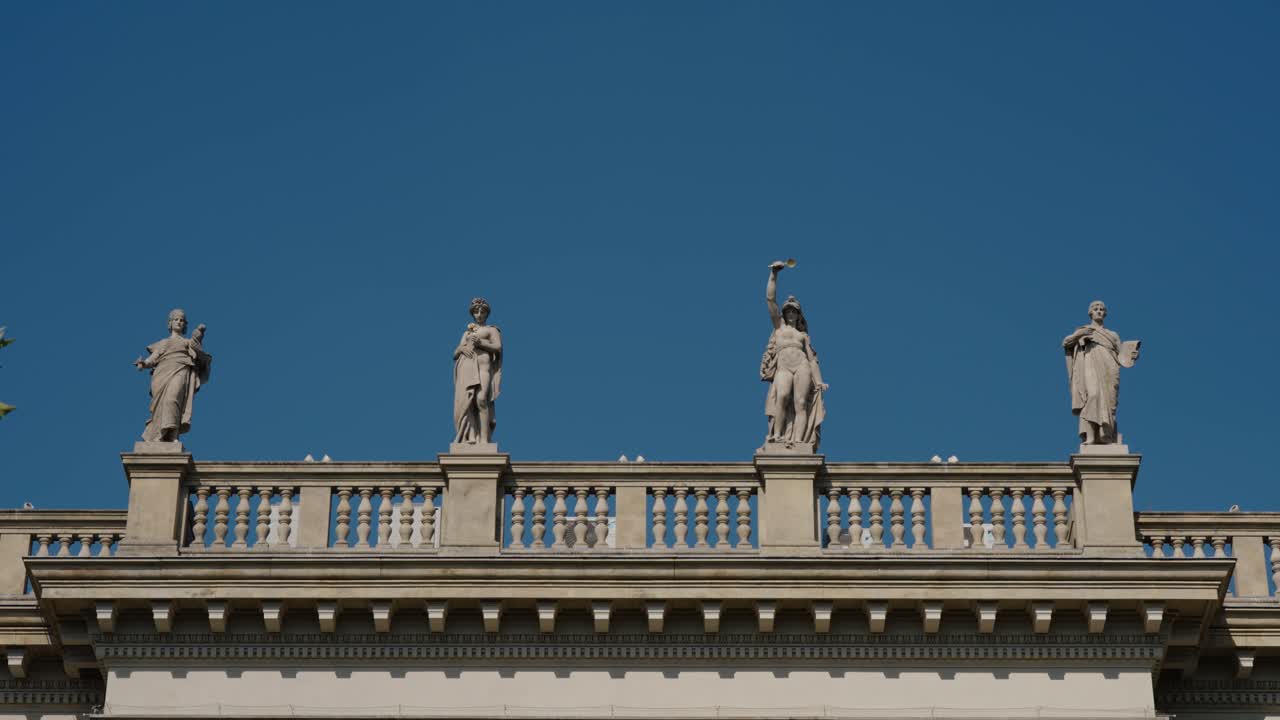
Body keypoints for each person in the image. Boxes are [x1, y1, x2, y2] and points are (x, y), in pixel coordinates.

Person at [761, 262, 827, 448]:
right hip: (783, 367)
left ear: (799, 315)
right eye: (788, 311)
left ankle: (799, 442)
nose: (791, 313)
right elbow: (770, 300)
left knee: (800, 403)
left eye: (794, 311)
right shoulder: (779, 327)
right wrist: (773, 274)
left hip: (802, 366)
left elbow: (812, 359)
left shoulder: (803, 336)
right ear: (784, 313)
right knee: (781, 396)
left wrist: (819, 380)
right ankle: (778, 436)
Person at [1062, 300, 1140, 445]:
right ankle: (1090, 436)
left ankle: (1107, 436)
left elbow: (1122, 356)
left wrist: (1132, 354)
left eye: (1101, 309)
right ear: (1090, 313)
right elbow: (1066, 343)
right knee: (1093, 396)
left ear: (1105, 313)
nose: (1099, 311)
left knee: (1110, 403)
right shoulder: (1084, 329)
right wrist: (1080, 335)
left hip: (1110, 368)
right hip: (1091, 364)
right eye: (1095, 308)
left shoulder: (1113, 334)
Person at [134, 308, 212, 443]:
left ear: (185, 324)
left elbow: (197, 348)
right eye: (176, 319)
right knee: (162, 405)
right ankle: (158, 436)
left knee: (173, 399)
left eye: (182, 320)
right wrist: (144, 363)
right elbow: (153, 358)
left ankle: (172, 435)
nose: (179, 322)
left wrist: (198, 337)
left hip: (181, 370)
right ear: (170, 323)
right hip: (161, 374)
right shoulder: (163, 343)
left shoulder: (187, 342)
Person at [453, 297, 503, 446]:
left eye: (482, 312)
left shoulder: (491, 330)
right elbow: (455, 353)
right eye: (476, 312)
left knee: (481, 400)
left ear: (486, 314)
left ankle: (484, 439)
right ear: (473, 314)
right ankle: (472, 435)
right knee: (469, 402)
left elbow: (497, 347)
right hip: (467, 368)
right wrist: (462, 348)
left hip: (484, 368)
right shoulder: (467, 333)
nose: (479, 314)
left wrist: (481, 343)